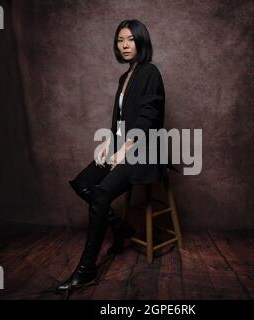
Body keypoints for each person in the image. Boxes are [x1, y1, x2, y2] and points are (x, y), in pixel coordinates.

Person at [56, 19, 167, 291]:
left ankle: (86, 270)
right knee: (83, 182)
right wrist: (109, 144)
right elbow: (120, 121)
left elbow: (147, 118)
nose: (125, 44)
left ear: (141, 41)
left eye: (130, 39)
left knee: (101, 194)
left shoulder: (150, 72)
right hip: (122, 147)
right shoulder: (125, 76)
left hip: (144, 152)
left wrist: (124, 150)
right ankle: (120, 227)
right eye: (120, 40)